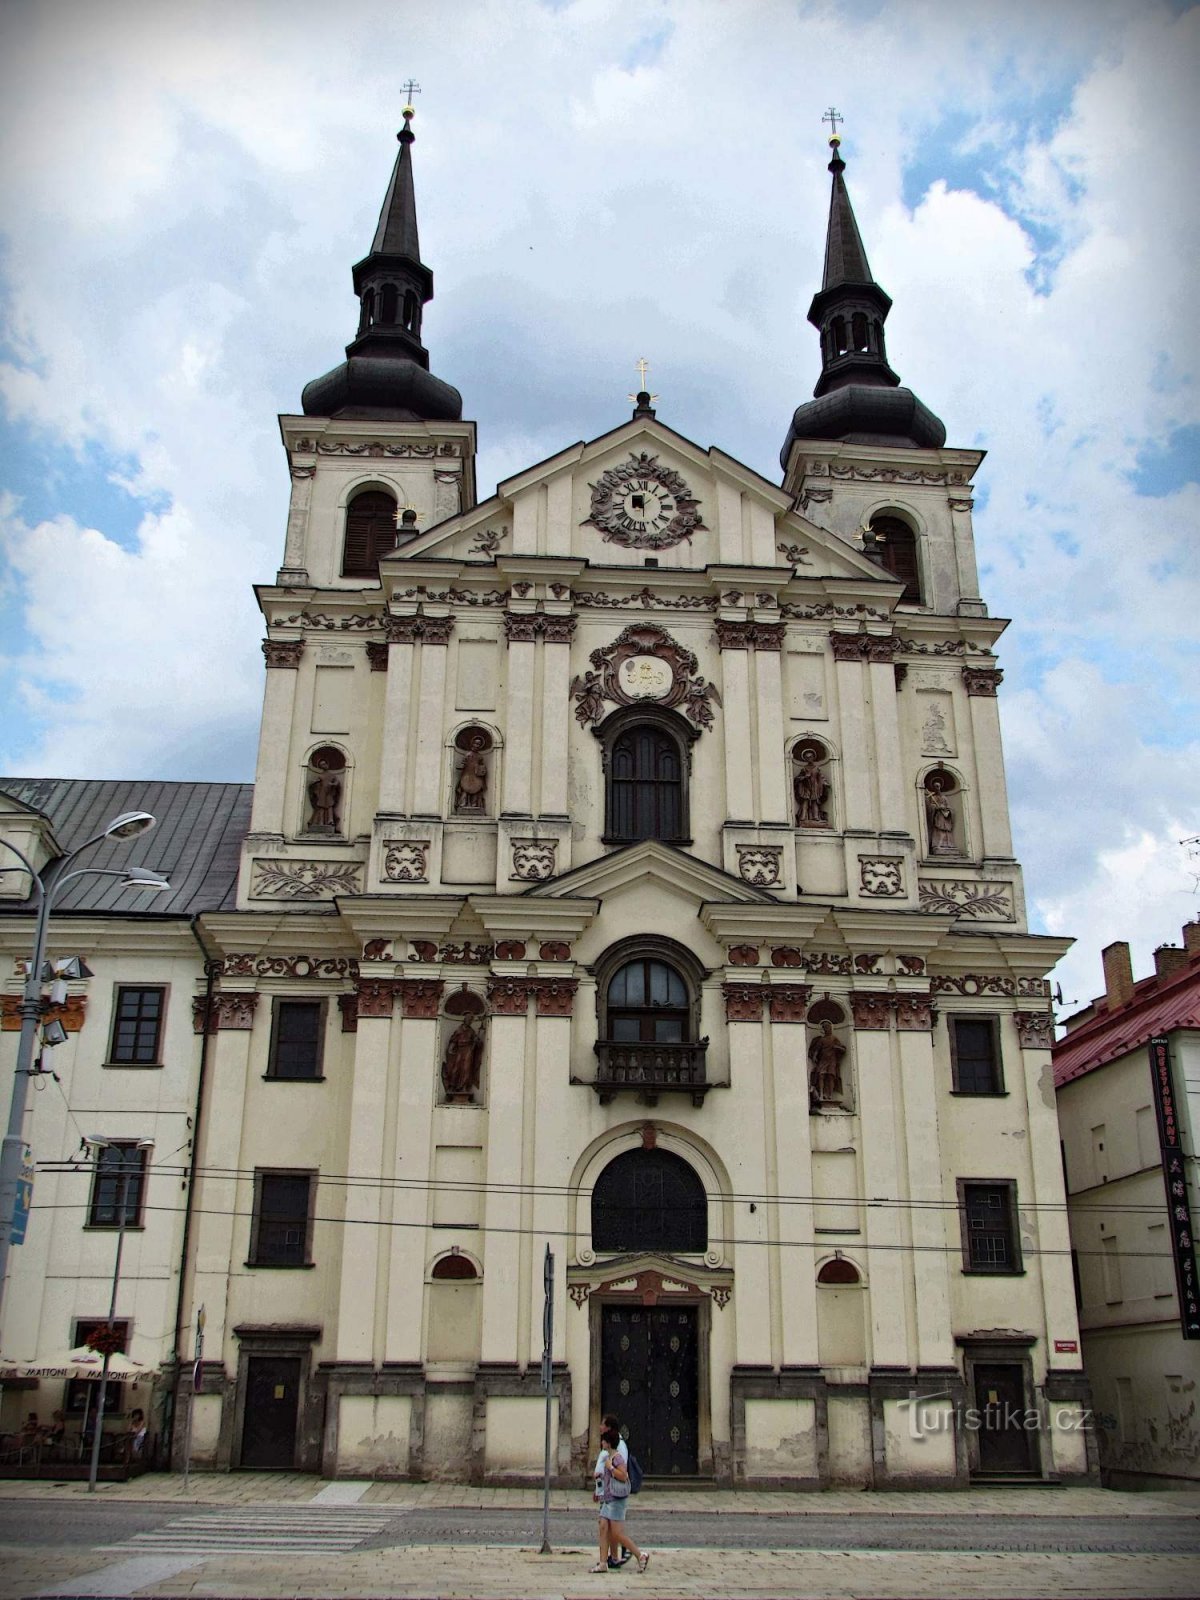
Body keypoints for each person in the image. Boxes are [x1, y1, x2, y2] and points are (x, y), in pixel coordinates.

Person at [589, 1424, 649, 1575]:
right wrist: (599, 1488)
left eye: (603, 1441)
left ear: (608, 1443)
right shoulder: (607, 1457)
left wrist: (609, 1468)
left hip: (616, 1500)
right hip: (607, 1498)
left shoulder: (617, 1458)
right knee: (603, 1527)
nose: (601, 1443)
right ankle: (603, 1563)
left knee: (616, 1534)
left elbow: (623, 1475)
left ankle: (640, 1555)